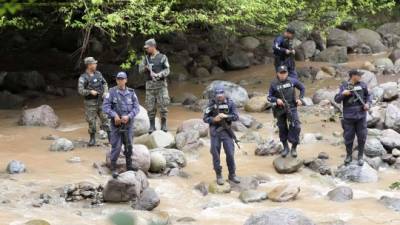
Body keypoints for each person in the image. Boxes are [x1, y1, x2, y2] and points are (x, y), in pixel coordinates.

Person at [103, 72, 140, 177]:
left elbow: (136, 108)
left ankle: (129, 166)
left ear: (126, 80)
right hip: (116, 125)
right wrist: (114, 115)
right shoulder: (111, 92)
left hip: (128, 124)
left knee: (129, 146)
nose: (120, 81)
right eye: (118, 79)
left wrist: (129, 116)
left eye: (122, 79)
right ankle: (113, 168)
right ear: (116, 80)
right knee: (116, 146)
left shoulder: (132, 93)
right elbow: (105, 107)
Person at [203, 85, 240, 185]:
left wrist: (226, 116)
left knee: (230, 153)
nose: (220, 96)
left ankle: (232, 174)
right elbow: (205, 118)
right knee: (215, 154)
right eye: (218, 95)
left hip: (226, 131)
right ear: (215, 95)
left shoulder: (230, 103)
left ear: (224, 93)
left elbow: (236, 117)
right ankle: (219, 175)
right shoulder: (211, 104)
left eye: (221, 94)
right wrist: (214, 119)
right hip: (215, 131)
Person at [334, 69, 371, 166]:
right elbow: (337, 100)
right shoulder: (344, 86)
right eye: (359, 75)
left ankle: (360, 156)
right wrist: (343, 94)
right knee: (348, 137)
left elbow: (368, 96)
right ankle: (349, 156)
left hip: (361, 116)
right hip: (348, 116)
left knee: (362, 136)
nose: (361, 76)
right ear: (353, 76)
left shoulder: (363, 85)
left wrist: (367, 103)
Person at [268, 65, 305, 158]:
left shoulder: (292, 81)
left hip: (292, 107)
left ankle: (294, 147)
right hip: (279, 109)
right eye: (281, 73)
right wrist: (276, 100)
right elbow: (269, 97)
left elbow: (302, 88)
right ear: (278, 73)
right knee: (282, 127)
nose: (283, 75)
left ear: (287, 73)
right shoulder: (273, 83)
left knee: (296, 126)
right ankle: (285, 147)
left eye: (284, 73)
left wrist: (300, 99)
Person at [138, 38, 170, 133]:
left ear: (153, 47)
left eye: (148, 48)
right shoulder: (145, 59)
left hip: (161, 86)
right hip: (150, 87)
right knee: (150, 107)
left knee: (163, 106)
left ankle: (164, 125)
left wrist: (159, 75)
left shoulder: (163, 57)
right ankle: (152, 126)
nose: (146, 49)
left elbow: (167, 70)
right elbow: (140, 71)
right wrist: (146, 68)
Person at [78, 57, 110, 146]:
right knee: (91, 121)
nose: (96, 65)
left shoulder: (98, 74)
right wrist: (90, 92)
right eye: (94, 64)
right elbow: (80, 91)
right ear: (89, 65)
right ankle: (92, 139)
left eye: (95, 63)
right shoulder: (83, 78)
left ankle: (111, 138)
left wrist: (106, 92)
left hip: (101, 101)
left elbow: (105, 83)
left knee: (106, 119)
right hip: (90, 103)